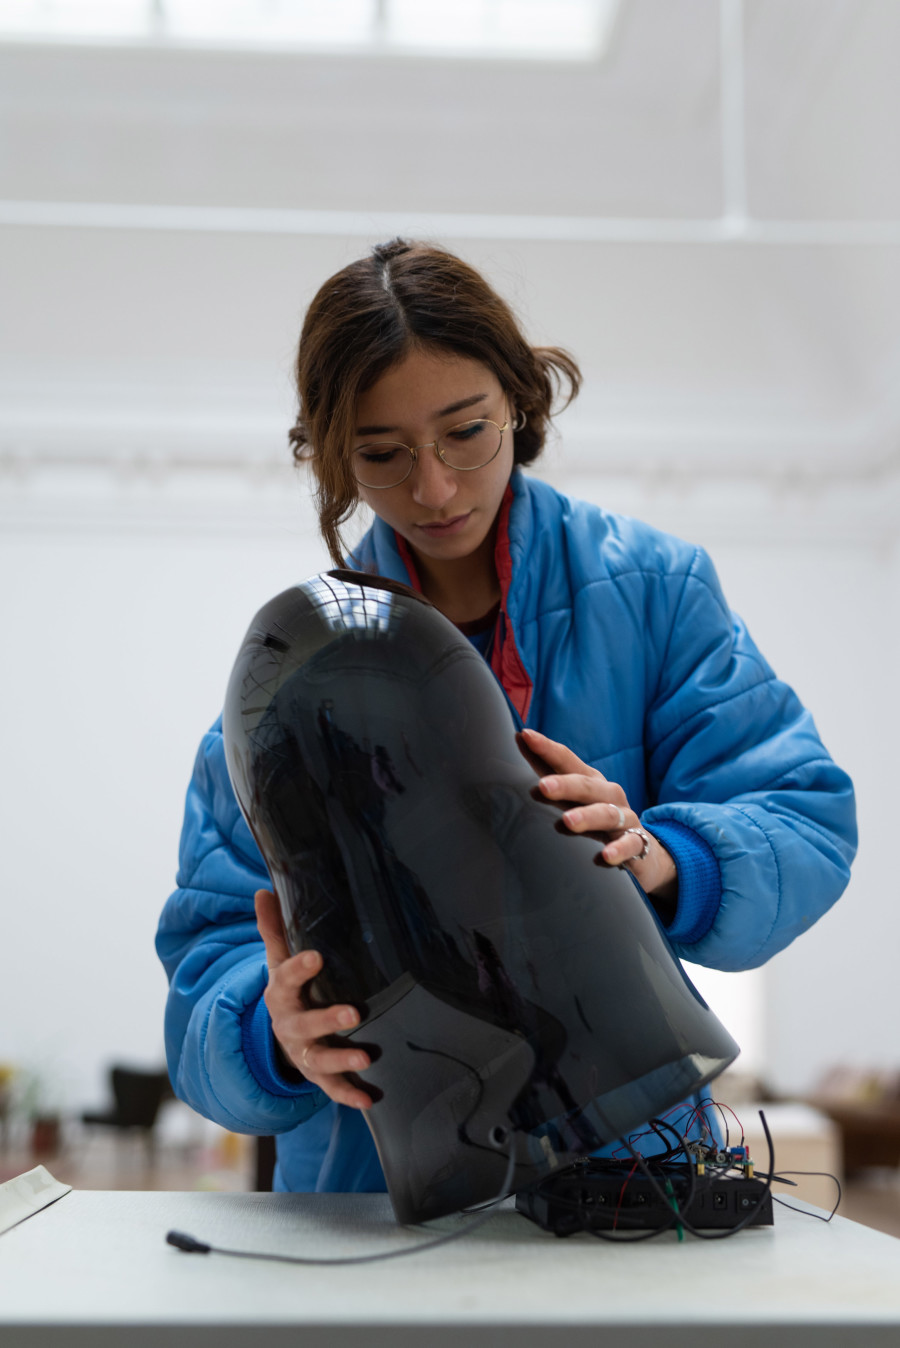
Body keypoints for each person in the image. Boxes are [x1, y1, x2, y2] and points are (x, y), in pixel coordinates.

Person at [157, 239, 857, 1195]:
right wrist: (271, 1035)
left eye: (466, 432)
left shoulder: (655, 596)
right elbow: (207, 980)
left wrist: (660, 858)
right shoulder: (283, 697)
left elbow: (806, 817)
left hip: (631, 1180)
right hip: (375, 1203)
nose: (434, 488)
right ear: (332, 454)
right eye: (382, 454)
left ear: (521, 402)